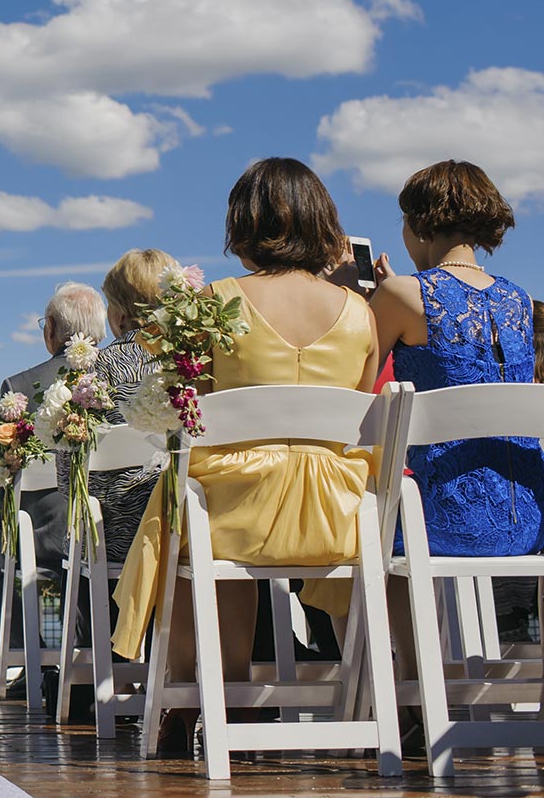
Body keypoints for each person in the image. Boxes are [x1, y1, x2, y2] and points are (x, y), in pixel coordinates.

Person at [111, 157, 378, 752]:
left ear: (243, 222)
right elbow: (359, 418)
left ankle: (193, 702)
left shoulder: (216, 301)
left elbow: (195, 411)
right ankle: (359, 703)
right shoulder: (361, 312)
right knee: (205, 502)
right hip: (337, 515)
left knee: (182, 509)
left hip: (238, 509)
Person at [370, 159, 544, 556]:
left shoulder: (401, 294)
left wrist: (379, 299)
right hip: (531, 520)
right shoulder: (519, 300)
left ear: (417, 222)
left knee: (363, 522)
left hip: (440, 521)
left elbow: (359, 390)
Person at [0, 282, 103, 695]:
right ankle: (94, 662)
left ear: (51, 329)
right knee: (94, 568)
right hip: (115, 531)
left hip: (41, 532)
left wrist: (10, 515)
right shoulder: (122, 375)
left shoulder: (21, 384)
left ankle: (29, 659)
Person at [88, 251, 178, 562]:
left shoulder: (97, 366)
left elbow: (70, 475)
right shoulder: (199, 359)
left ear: (121, 314)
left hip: (122, 536)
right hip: (199, 525)